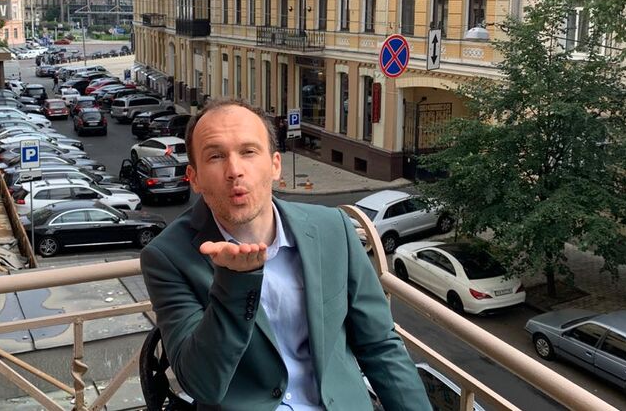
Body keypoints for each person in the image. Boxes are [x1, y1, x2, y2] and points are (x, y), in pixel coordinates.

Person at [141, 99, 430, 410]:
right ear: (194, 177)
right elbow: (202, 383)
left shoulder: (332, 229)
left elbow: (380, 346)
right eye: (215, 156)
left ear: (275, 165)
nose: (234, 171)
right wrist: (235, 282)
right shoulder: (167, 256)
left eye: (248, 152)